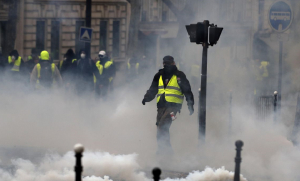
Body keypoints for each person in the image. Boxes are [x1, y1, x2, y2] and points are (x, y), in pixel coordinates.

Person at [142, 55, 194, 155]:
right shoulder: (159, 75)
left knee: (162, 126)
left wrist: (190, 105)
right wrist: (146, 98)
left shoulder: (179, 75)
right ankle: (165, 151)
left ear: (173, 63)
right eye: (166, 63)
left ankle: (165, 152)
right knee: (160, 128)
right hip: (161, 106)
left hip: (173, 107)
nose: (168, 65)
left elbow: (187, 90)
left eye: (169, 63)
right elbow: (153, 89)